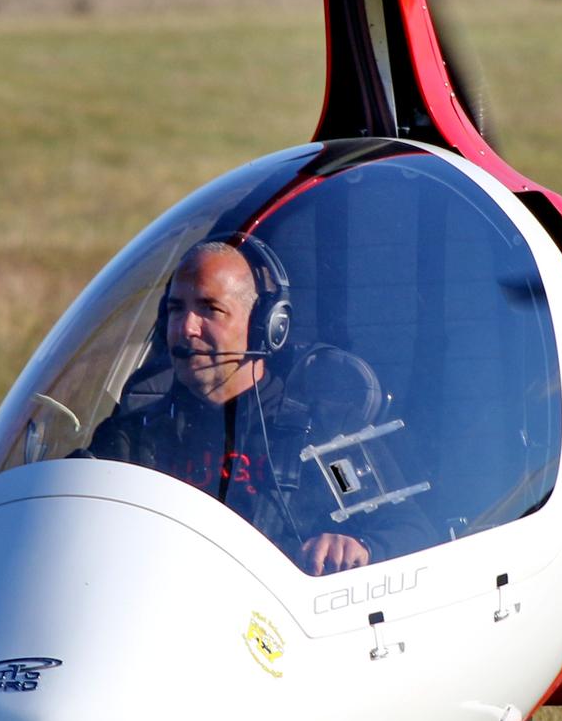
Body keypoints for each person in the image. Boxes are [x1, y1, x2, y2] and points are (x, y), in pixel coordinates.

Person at [85, 239, 427, 575]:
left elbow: (413, 532)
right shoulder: (130, 440)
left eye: (209, 309)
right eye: (176, 309)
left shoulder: (327, 432)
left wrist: (361, 548)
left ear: (266, 325)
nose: (186, 328)